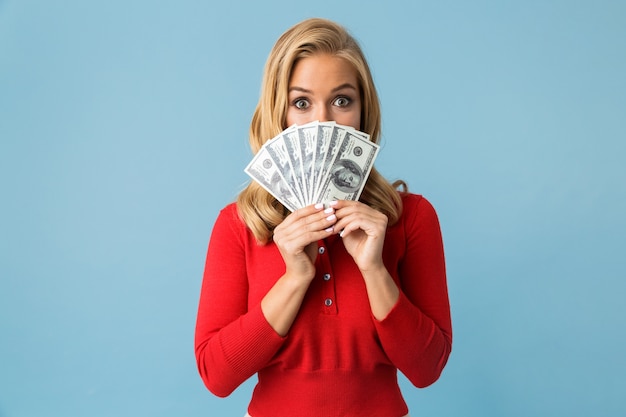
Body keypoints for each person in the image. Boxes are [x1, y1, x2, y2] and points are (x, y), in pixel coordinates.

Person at [195, 17, 452, 417]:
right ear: (278, 113)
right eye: (302, 103)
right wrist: (295, 278)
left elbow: (427, 368)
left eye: (342, 100)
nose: (323, 122)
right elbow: (216, 375)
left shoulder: (411, 217)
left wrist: (374, 270)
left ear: (364, 111)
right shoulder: (240, 224)